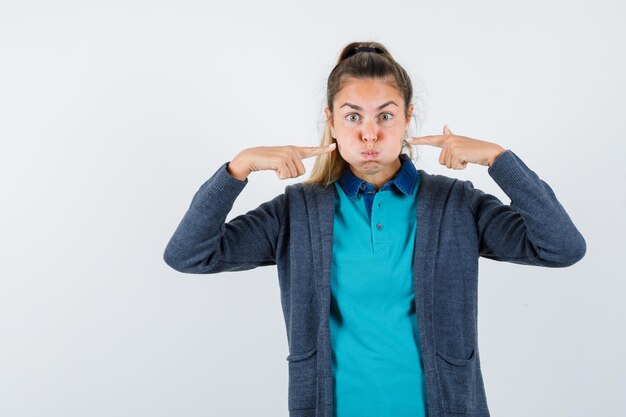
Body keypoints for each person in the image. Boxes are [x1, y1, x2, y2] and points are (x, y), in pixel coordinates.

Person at [163, 41, 586, 417]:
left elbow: (561, 247)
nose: (370, 133)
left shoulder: (456, 205)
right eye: (353, 117)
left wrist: (499, 160)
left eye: (386, 115)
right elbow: (189, 254)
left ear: (407, 119)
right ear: (331, 120)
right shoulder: (297, 212)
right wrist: (237, 169)